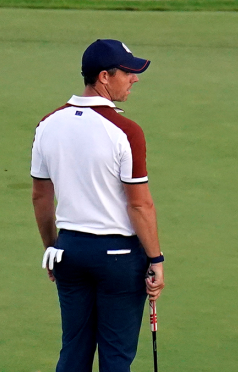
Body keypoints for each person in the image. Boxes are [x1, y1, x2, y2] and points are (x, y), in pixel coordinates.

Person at [31, 39, 165, 372]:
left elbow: (40, 196)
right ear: (104, 76)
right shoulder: (126, 131)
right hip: (118, 259)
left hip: (70, 252)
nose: (134, 79)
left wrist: (53, 248)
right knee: (116, 357)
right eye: (128, 73)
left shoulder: (48, 124)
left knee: (74, 352)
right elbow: (140, 206)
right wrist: (156, 259)